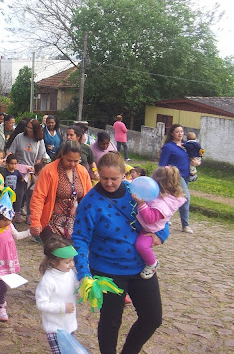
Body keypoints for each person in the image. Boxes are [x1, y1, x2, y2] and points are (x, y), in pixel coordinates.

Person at [72, 152, 168, 354]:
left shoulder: (137, 191)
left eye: (114, 178)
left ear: (124, 174)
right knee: (111, 322)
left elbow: (160, 215)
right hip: (107, 271)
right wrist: (83, 273)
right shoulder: (90, 202)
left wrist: (162, 235)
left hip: (141, 267)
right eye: (104, 178)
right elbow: (80, 238)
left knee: (152, 318)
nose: (109, 183)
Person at [29, 140, 91, 243]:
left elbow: (89, 199)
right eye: (69, 160)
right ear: (62, 154)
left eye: (76, 161)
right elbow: (38, 197)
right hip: (51, 224)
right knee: (59, 252)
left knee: (71, 253)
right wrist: (35, 221)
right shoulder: (49, 171)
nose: (72, 164)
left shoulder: (83, 172)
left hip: (75, 225)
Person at [132, 166, 186, 279]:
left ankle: (152, 263)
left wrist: (141, 204)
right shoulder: (158, 196)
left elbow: (150, 218)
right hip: (146, 226)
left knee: (141, 245)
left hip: (152, 230)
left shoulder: (163, 204)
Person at [0, 191, 31, 322]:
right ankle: (1, 306)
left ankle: (0, 295)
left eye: (9, 219)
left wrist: (29, 232)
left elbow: (17, 236)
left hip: (9, 261)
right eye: (4, 219)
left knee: (6, 285)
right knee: (4, 285)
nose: (7, 222)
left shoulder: (10, 226)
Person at [35, 235, 80, 353]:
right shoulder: (48, 281)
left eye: (72, 260)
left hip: (69, 325)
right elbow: (41, 304)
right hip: (55, 329)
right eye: (67, 262)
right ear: (53, 262)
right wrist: (62, 308)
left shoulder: (70, 273)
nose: (72, 264)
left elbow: (77, 287)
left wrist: (87, 287)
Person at [7, 118, 47, 220]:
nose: (28, 130)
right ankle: (17, 212)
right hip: (19, 169)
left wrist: (34, 169)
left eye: (31, 128)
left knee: (31, 194)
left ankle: (30, 215)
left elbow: (40, 158)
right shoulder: (19, 137)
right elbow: (11, 151)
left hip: (32, 171)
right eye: (27, 127)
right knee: (19, 192)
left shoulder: (40, 141)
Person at [158, 123, 193, 234]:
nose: (180, 134)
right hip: (176, 176)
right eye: (177, 131)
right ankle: (185, 225)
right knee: (185, 197)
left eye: (181, 131)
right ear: (172, 133)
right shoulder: (168, 147)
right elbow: (162, 164)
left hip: (186, 174)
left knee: (173, 198)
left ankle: (165, 217)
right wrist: (168, 174)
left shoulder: (185, 146)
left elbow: (192, 158)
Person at [0, 154, 26, 223]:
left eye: (15, 164)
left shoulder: (16, 172)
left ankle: (12, 217)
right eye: (11, 164)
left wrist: (24, 178)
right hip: (5, 193)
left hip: (13, 193)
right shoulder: (4, 171)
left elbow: (21, 179)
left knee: (12, 205)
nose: (13, 166)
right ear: (7, 163)